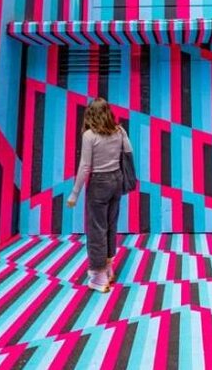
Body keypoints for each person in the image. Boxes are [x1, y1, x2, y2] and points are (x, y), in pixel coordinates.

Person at [66, 98, 132, 293]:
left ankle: (98, 275)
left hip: (99, 183)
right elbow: (128, 152)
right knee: (111, 224)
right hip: (117, 180)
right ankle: (109, 266)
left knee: (97, 229)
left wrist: (74, 193)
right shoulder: (119, 131)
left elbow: (85, 166)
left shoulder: (89, 135)